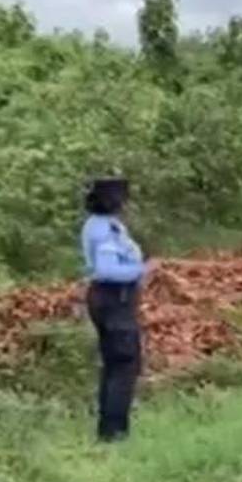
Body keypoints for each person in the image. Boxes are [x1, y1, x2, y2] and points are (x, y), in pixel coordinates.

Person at [81, 177, 146, 442]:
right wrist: (143, 270)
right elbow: (106, 270)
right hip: (113, 299)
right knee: (124, 363)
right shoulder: (104, 230)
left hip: (111, 300)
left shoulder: (105, 225)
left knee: (114, 363)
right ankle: (114, 432)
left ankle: (110, 428)